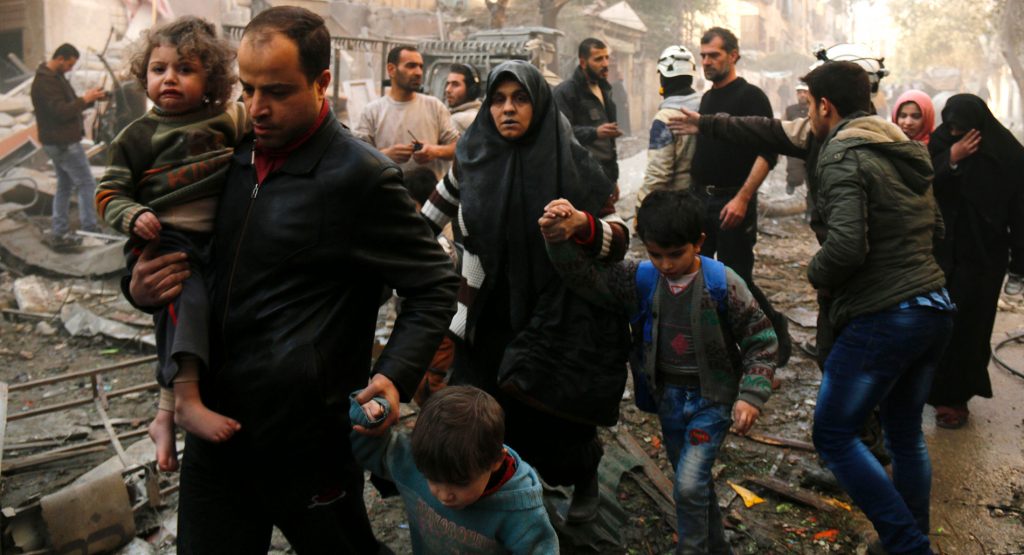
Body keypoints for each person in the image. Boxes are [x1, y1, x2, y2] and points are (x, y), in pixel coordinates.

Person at [126, 7, 459, 552]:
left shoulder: (360, 177)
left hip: (310, 445)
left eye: (277, 91)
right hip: (217, 437)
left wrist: (394, 376)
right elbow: (168, 249)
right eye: (249, 89)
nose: (257, 108)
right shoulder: (220, 155)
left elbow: (433, 284)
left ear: (321, 82)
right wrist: (137, 289)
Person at [420, 60, 629, 523]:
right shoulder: (471, 155)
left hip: (555, 311)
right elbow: (425, 222)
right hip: (484, 309)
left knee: (557, 412)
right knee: (483, 404)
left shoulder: (572, 160)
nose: (507, 109)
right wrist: (433, 260)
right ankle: (503, 494)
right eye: (498, 99)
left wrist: (583, 226)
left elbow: (619, 237)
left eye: (520, 99)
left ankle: (583, 475)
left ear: (540, 104)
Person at [540, 189, 777, 552]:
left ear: (698, 242)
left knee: (687, 484)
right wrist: (557, 239)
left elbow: (761, 337)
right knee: (693, 482)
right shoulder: (643, 279)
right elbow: (588, 279)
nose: (666, 264)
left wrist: (751, 394)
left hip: (711, 401)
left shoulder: (722, 283)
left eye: (675, 254)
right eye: (656, 254)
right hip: (668, 400)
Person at [802, 61, 953, 555]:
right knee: (904, 433)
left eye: (809, 105)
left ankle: (908, 545)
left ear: (825, 105)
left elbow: (846, 247)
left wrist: (815, 272)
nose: (809, 115)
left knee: (833, 434)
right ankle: (910, 538)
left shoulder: (841, 150)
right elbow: (937, 232)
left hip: (887, 314)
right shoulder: (905, 149)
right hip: (933, 306)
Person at [95, 16, 246, 472]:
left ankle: (164, 418)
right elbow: (108, 193)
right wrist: (133, 214)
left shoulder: (230, 118)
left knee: (200, 321)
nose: (169, 79)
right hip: (164, 239)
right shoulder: (136, 136)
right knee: (188, 305)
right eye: (158, 69)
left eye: (185, 69)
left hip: (213, 242)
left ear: (213, 80)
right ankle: (184, 403)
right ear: (144, 76)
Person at [350, 385, 558, 554]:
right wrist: (370, 414)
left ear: (495, 461)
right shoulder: (419, 461)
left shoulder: (521, 512)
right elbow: (366, 446)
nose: (443, 495)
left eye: (459, 483)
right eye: (431, 479)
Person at [691, 27, 790, 368]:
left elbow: (768, 152)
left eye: (713, 55)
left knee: (737, 280)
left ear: (733, 55)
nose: (706, 61)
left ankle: (773, 342)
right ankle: (718, 350)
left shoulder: (751, 97)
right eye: (703, 55)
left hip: (735, 201)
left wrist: (743, 198)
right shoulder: (706, 99)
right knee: (698, 274)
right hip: (702, 201)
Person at [927, 94, 1024, 429]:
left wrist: (1018, 264)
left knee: (970, 329)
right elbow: (920, 182)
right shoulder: (941, 143)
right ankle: (934, 391)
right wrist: (951, 159)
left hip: (983, 259)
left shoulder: (1008, 154)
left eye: (961, 129)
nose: (954, 133)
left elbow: (1020, 213)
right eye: (951, 127)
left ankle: (956, 399)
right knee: (935, 325)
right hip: (940, 254)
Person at [30, 43, 106, 246]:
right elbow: (61, 111)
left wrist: (91, 99)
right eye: (70, 64)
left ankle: (59, 229)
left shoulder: (55, 78)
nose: (71, 68)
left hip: (57, 141)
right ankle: (90, 229)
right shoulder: (45, 82)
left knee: (65, 185)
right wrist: (85, 99)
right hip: (63, 142)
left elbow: (69, 104)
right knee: (86, 183)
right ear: (61, 58)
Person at [355, 45, 459, 181]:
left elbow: (459, 148)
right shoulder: (372, 112)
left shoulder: (435, 106)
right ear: (391, 69)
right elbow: (356, 158)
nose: (418, 72)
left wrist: (434, 151)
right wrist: (385, 156)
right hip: (387, 196)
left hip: (428, 198)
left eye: (421, 67)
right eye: (411, 66)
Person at [553, 37, 622, 184]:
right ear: (583, 63)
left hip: (606, 173)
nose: (605, 64)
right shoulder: (566, 92)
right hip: (580, 177)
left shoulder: (605, 89)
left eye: (606, 58)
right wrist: (595, 132)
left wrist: (613, 180)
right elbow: (561, 133)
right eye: (598, 59)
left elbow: (610, 143)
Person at [638, 45, 700, 204]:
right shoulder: (705, 109)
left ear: (663, 78)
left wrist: (642, 207)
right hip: (702, 200)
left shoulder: (664, 118)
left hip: (676, 206)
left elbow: (658, 174)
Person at [784, 82, 810, 196]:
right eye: (800, 93)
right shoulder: (790, 110)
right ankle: (791, 182)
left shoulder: (815, 108)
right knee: (796, 177)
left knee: (814, 183)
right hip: (795, 147)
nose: (802, 95)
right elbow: (783, 125)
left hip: (812, 148)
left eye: (805, 92)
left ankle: (810, 211)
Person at [445, 63, 482, 134]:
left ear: (471, 90)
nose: (448, 89)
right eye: (447, 84)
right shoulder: (480, 114)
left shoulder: (457, 120)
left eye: (455, 85)